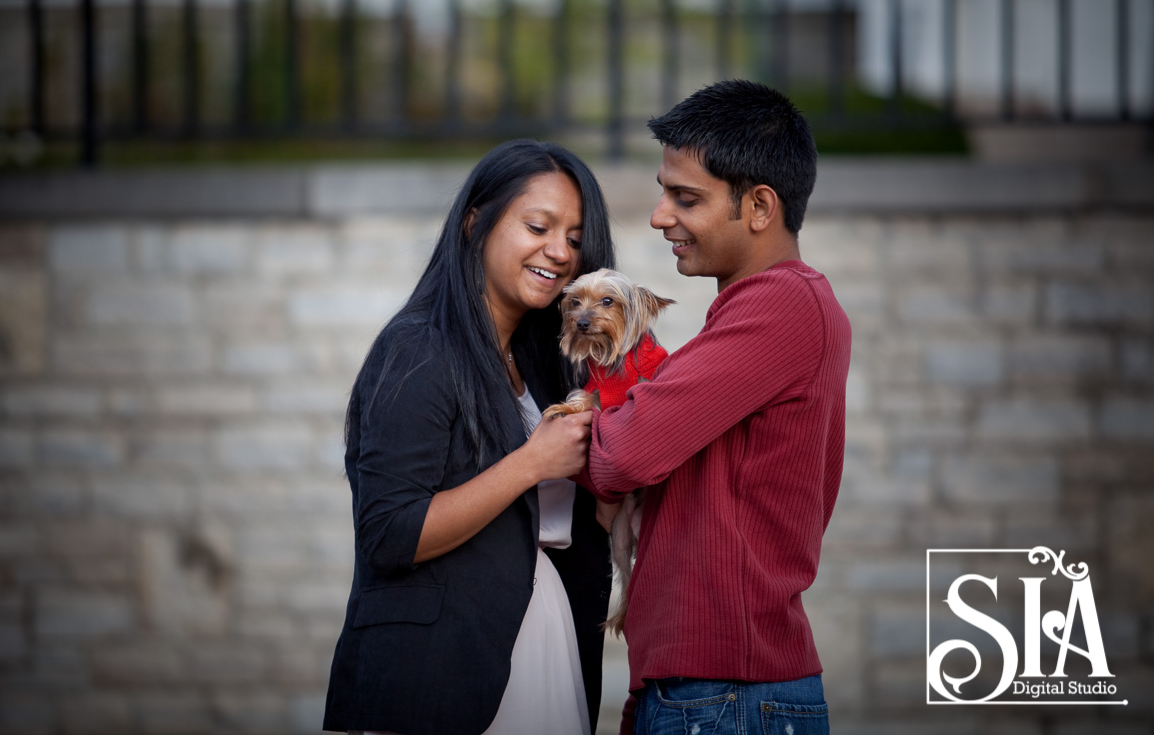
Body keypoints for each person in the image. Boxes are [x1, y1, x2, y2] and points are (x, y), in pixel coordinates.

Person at [575, 79, 852, 735]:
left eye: (686, 198)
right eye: (663, 191)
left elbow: (624, 453)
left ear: (759, 206)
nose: (659, 215)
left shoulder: (782, 306)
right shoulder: (756, 310)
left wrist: (580, 432)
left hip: (729, 695)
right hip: (716, 691)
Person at [323, 139, 617, 735]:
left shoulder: (542, 368)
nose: (559, 252)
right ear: (474, 222)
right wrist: (531, 463)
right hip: (444, 674)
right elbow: (389, 532)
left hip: (544, 652)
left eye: (575, 237)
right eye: (538, 226)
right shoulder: (417, 350)